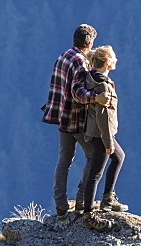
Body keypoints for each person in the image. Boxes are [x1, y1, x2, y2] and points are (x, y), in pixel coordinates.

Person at [42, 24, 108, 218]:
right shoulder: (80, 61)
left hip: (61, 117)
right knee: (93, 157)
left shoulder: (64, 56)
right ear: (89, 43)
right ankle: (81, 200)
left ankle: (60, 204)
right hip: (77, 119)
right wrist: (96, 98)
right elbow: (77, 92)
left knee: (64, 160)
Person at [80, 46, 127, 231]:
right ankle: (89, 214)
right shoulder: (103, 85)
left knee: (119, 157)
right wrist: (108, 143)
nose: (116, 60)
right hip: (100, 134)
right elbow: (103, 117)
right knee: (95, 174)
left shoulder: (94, 77)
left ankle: (108, 198)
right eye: (114, 58)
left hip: (96, 132)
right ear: (107, 62)